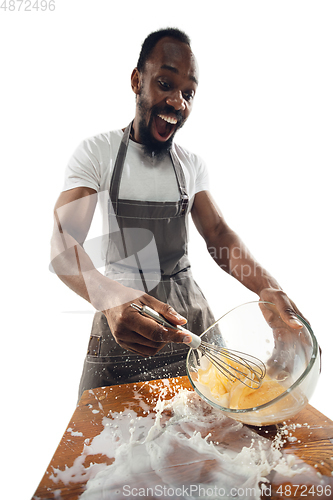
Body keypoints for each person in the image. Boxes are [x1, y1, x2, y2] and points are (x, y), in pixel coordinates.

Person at [51, 28, 304, 399]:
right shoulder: (97, 152)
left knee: (214, 429)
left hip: (191, 316)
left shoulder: (190, 164)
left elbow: (218, 234)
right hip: (126, 314)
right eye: (165, 84)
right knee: (108, 440)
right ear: (138, 81)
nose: (178, 102)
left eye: (188, 93)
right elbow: (63, 243)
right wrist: (107, 297)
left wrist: (267, 287)